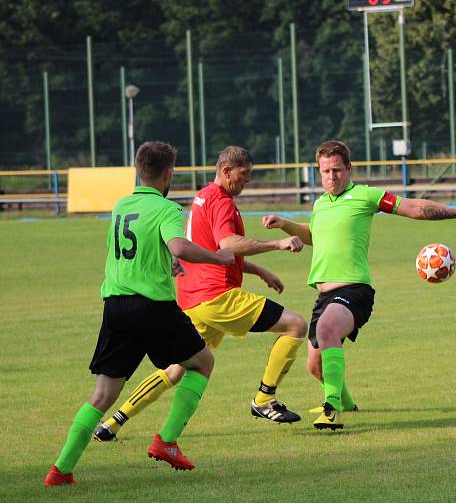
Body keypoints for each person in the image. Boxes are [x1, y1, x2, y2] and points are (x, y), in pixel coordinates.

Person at [44, 141, 235, 487]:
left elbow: (139, 250)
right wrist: (217, 257)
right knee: (202, 363)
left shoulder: (121, 206)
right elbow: (178, 245)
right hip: (152, 306)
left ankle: (61, 470)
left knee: (103, 394)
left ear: (138, 170)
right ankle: (167, 441)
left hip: (116, 306)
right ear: (167, 173)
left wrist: (167, 261)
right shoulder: (166, 209)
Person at [262, 140, 456, 430]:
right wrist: (285, 225)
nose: (332, 177)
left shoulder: (365, 196)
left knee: (327, 329)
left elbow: (414, 208)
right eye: (326, 171)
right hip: (324, 296)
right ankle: (345, 401)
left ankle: (331, 409)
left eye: (337, 170)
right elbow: (314, 236)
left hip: (355, 291)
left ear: (349, 169)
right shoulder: (320, 205)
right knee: (315, 366)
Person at [93, 146, 308, 443]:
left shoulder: (203, 196)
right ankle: (264, 400)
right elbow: (228, 244)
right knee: (296, 325)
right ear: (226, 171)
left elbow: (212, 251)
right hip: (218, 297)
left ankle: (113, 422)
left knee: (176, 368)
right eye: (243, 174)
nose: (247, 180)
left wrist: (259, 272)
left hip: (193, 297)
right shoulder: (220, 201)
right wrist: (277, 244)